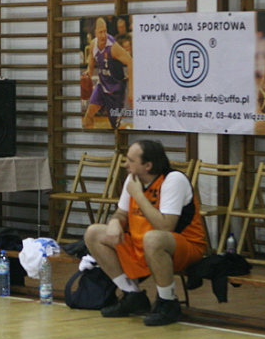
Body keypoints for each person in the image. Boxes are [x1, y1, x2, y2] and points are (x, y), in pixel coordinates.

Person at [84, 140, 206, 326]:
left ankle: (168, 302)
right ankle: (132, 295)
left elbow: (165, 227)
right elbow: (121, 213)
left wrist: (139, 196)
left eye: (131, 161)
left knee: (153, 238)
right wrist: (115, 221)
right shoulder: (133, 179)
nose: (126, 165)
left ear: (148, 166)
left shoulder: (173, 180)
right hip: (142, 244)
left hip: (184, 247)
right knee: (94, 233)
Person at [82, 17, 133, 130]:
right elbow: (91, 65)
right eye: (100, 32)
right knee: (89, 113)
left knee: (115, 126)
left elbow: (130, 61)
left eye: (105, 31)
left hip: (115, 90)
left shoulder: (113, 48)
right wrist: (88, 73)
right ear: (95, 33)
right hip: (102, 85)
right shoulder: (93, 44)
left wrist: (131, 90)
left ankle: (126, 128)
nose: (103, 35)